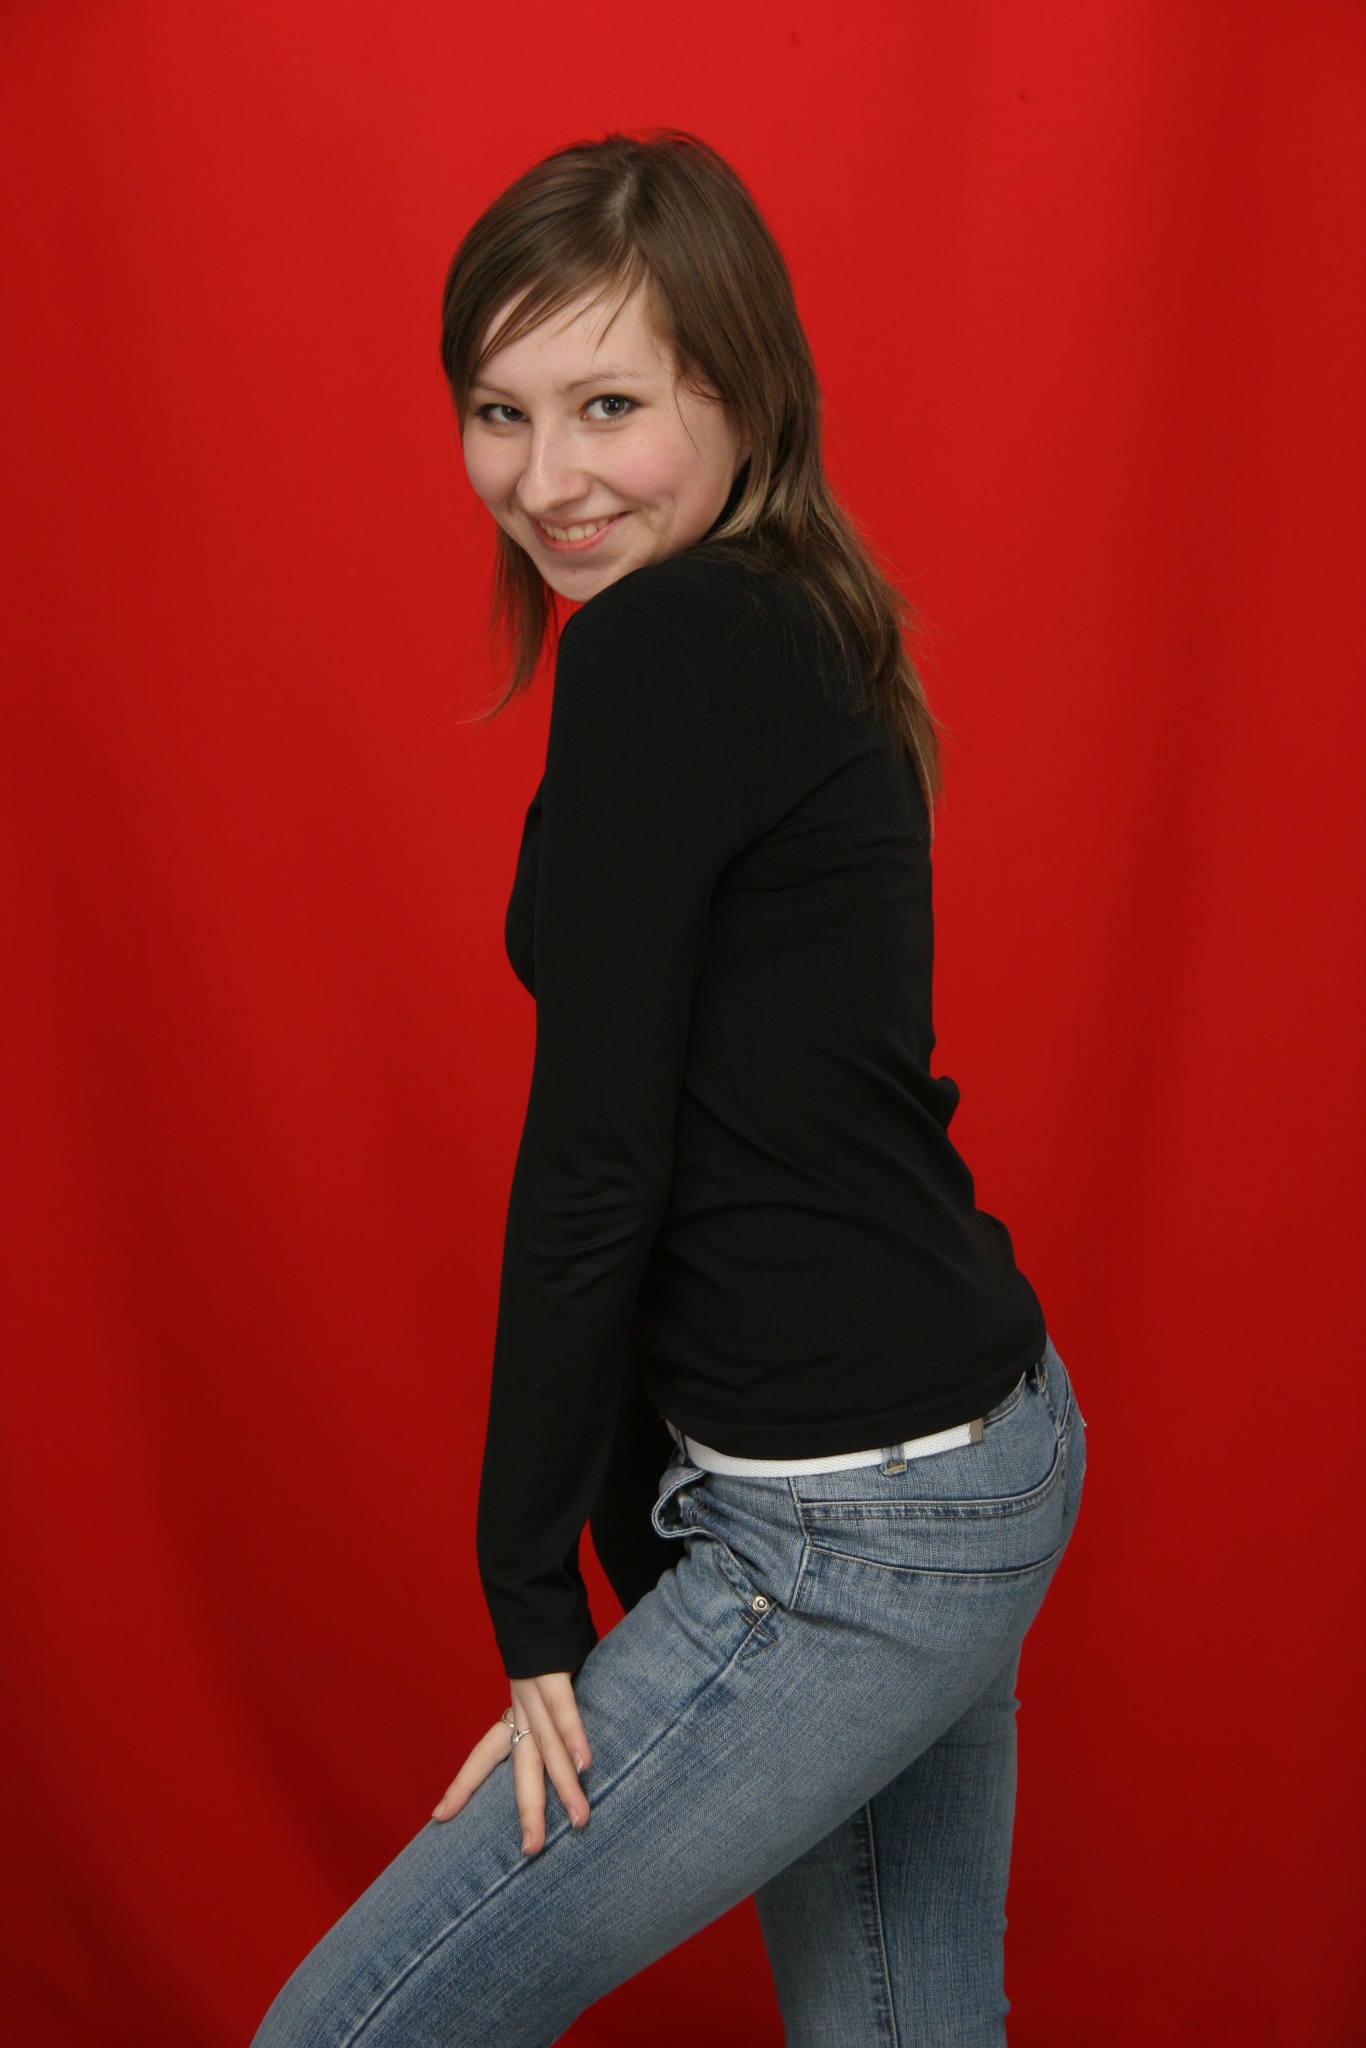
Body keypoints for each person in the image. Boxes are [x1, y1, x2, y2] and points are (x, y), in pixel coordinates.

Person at [252, 129, 1086, 2047]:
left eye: (608, 406)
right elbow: (764, 1104)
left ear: (741, 392)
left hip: (855, 1526)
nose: (546, 480)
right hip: (973, 1442)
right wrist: (640, 1542)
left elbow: (600, 1161)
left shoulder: (663, 645)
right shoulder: (799, 603)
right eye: (499, 412)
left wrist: (529, 1595)